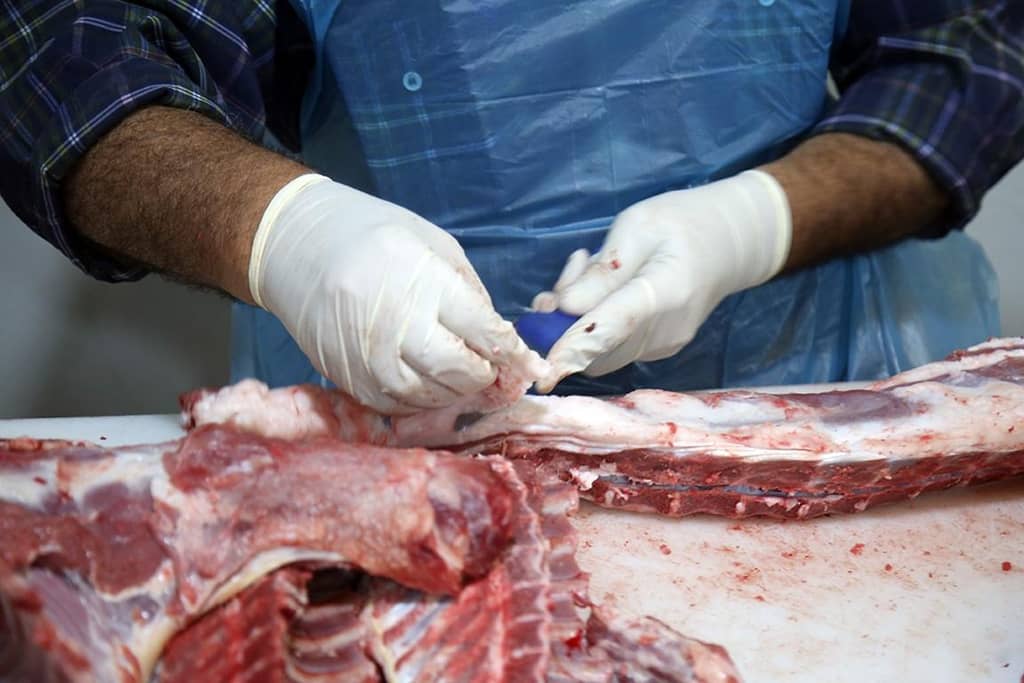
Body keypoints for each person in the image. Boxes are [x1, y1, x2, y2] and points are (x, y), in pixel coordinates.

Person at [1, 2, 1022, 415]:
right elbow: (61, 49)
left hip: (833, 394)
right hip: (402, 424)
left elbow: (979, 45)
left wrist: (751, 224)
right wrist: (287, 232)